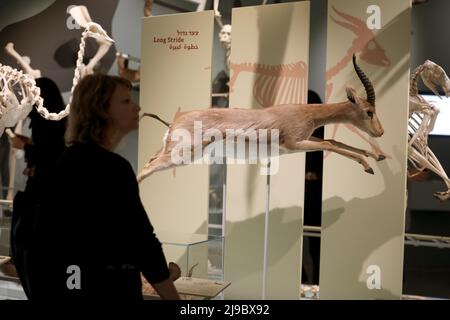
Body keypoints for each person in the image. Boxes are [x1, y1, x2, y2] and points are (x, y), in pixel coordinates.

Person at [28, 74, 180, 300]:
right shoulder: (113, 169)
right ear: (100, 109)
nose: (137, 107)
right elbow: (142, 241)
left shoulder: (65, 162)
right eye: (126, 101)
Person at [10, 77, 67, 297]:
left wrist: (25, 146)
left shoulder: (50, 122)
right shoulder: (49, 122)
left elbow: (51, 154)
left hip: (43, 208)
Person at [302, 90, 323, 286]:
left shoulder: (321, 130)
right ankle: (304, 278)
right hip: (304, 190)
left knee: (315, 240)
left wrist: (312, 173)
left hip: (315, 192)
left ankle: (315, 281)